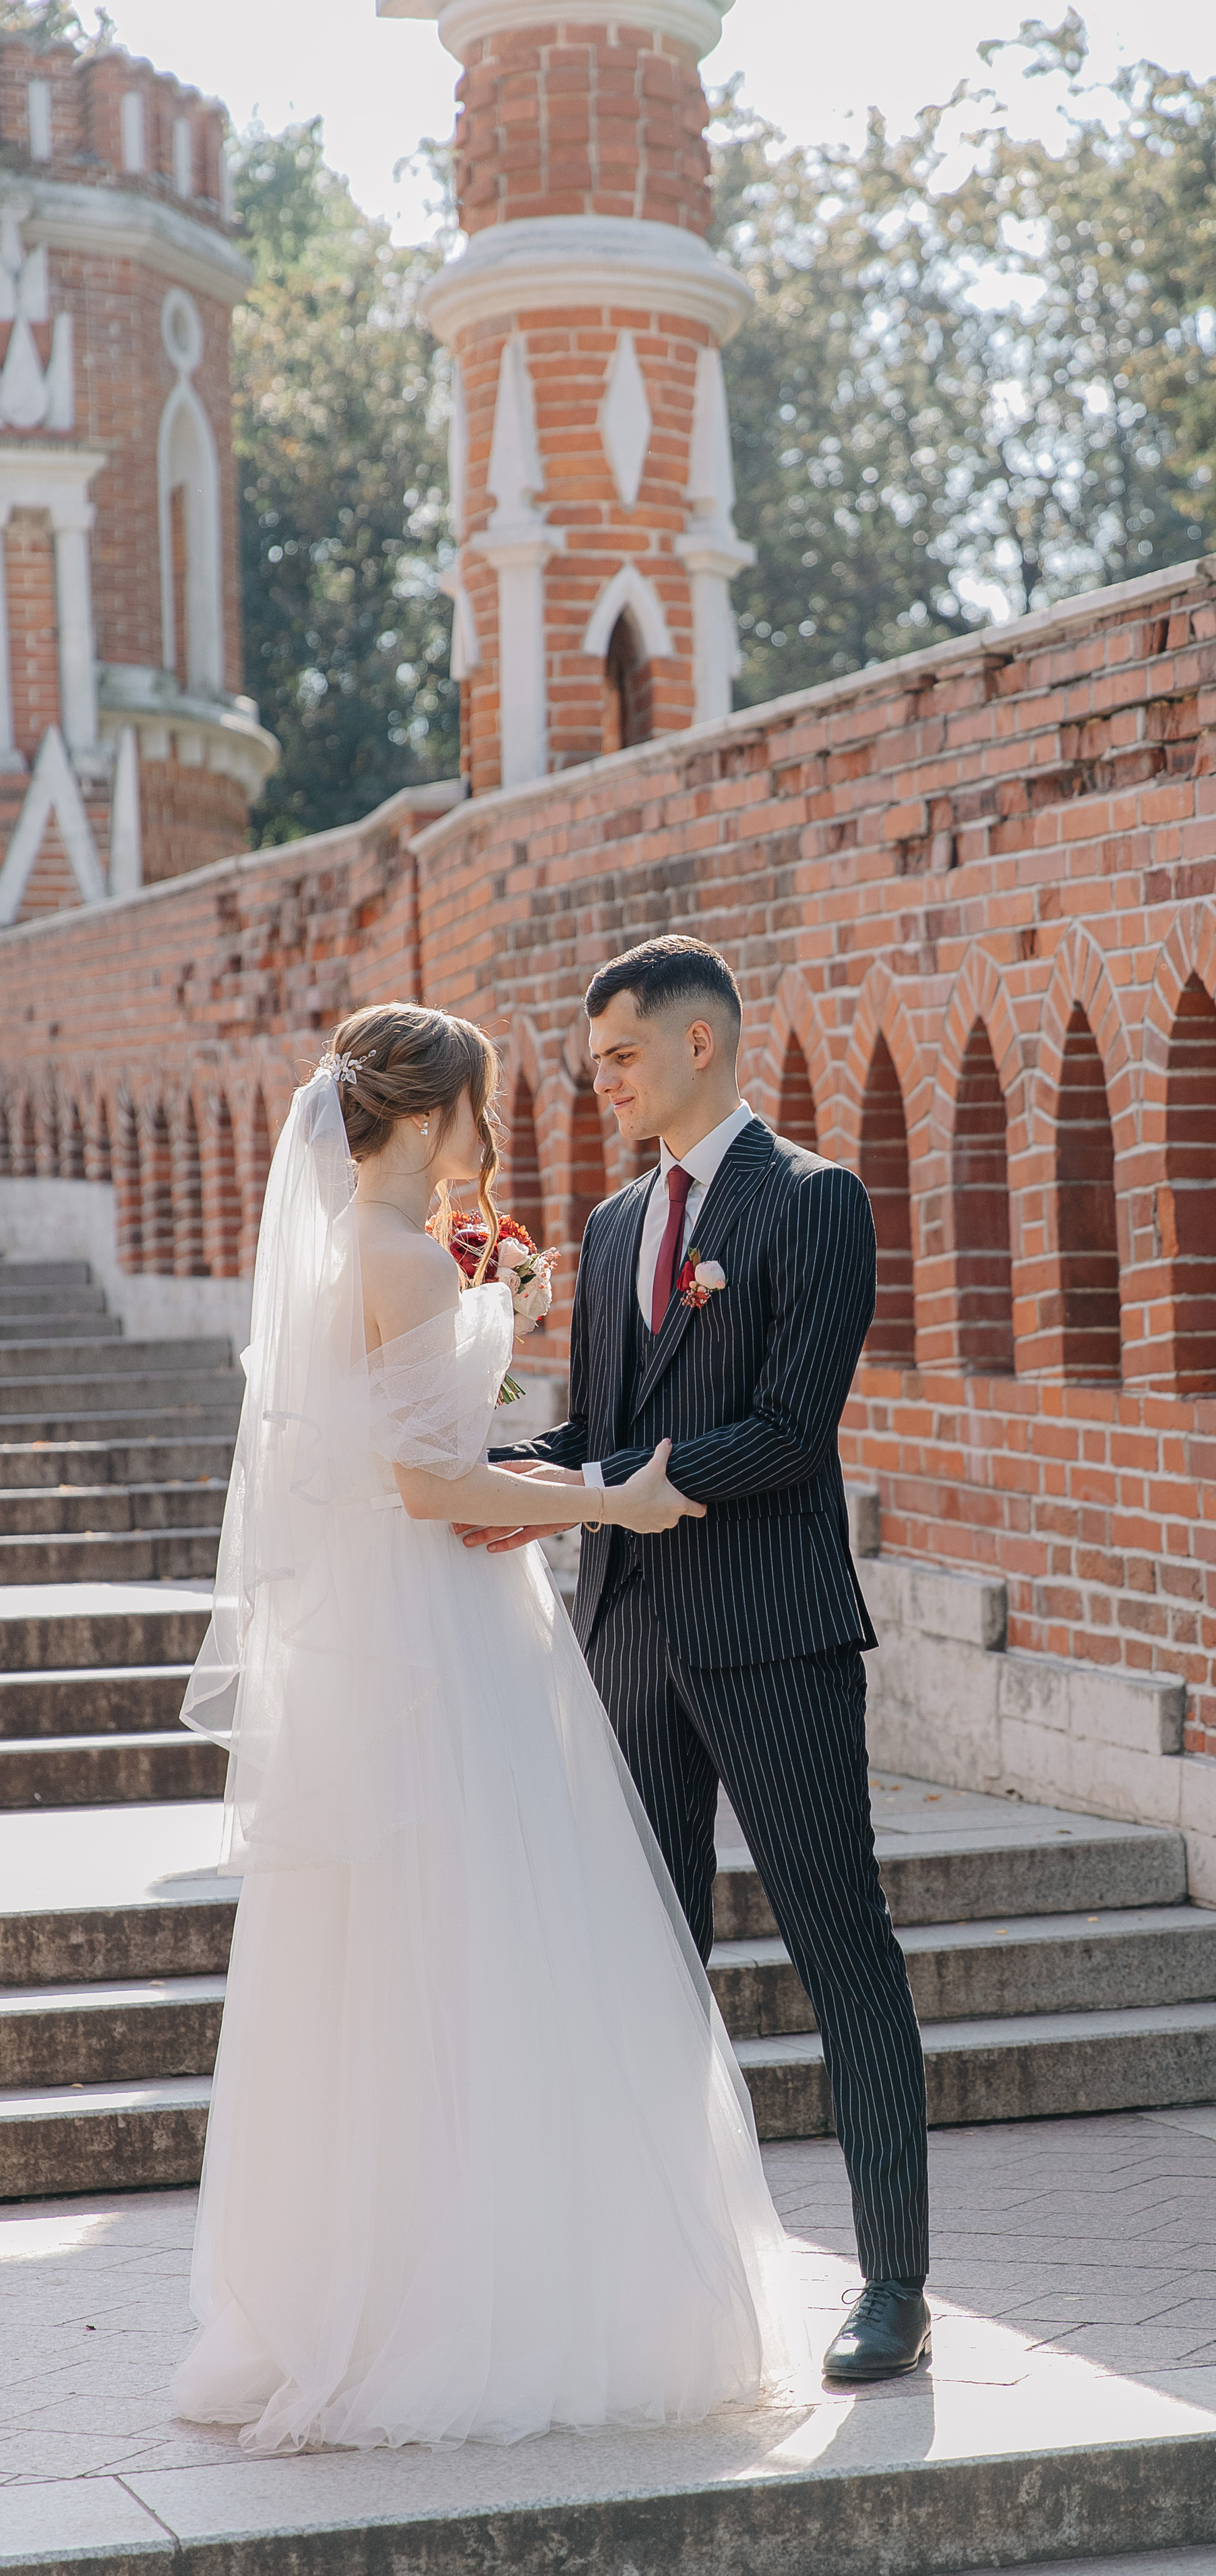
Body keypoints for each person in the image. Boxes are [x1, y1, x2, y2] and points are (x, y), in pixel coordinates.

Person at [170, 1002, 801, 2455]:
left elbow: (451, 1449)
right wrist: (610, 1497)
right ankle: (477, 2309)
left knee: (421, 1960)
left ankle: (394, 2287)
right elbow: (434, 1492)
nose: (490, 1130)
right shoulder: (391, 1259)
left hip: (423, 1626)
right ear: (430, 1111)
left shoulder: (379, 1255)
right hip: (439, 1644)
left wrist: (501, 1367)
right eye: (480, 1106)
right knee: (491, 1942)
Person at [473, 934, 932, 2384]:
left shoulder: (813, 1203)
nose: (598, 1079)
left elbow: (793, 1432)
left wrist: (607, 1477)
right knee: (651, 1970)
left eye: (615, 1054)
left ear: (696, 1045)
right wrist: (474, 1471)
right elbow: (586, 1426)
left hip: (772, 1636)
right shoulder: (610, 1231)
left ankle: (893, 2292)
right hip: (626, 1639)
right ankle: (661, 2285)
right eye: (592, 1057)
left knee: (839, 1955)